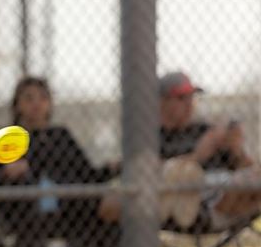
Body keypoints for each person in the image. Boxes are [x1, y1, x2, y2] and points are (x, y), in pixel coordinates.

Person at [0, 76, 121, 247]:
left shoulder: (59, 135)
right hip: (26, 214)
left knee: (114, 214)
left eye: (43, 98)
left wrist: (111, 169)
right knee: (30, 226)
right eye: (28, 98)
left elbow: (87, 175)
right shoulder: (10, 136)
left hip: (70, 211)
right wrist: (8, 168)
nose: (36, 104)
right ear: (17, 105)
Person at [101, 71, 261, 232]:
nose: (189, 103)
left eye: (192, 97)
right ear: (161, 101)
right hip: (196, 205)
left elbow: (245, 167)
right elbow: (148, 171)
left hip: (232, 192)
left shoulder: (203, 130)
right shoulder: (149, 138)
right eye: (181, 98)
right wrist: (198, 155)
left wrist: (237, 149)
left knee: (250, 177)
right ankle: (219, 208)